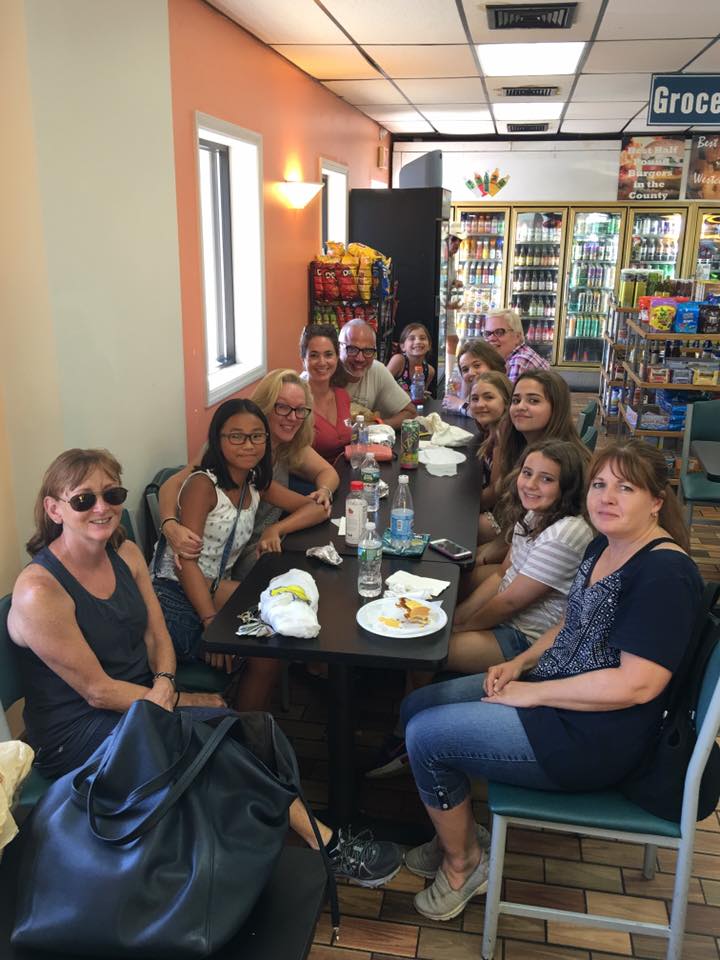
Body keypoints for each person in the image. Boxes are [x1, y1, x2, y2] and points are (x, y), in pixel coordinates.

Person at [9, 448, 402, 888]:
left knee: (239, 731)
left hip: (139, 699)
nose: (102, 508)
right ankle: (325, 846)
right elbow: (97, 692)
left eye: (112, 494)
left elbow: (157, 636)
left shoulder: (127, 554)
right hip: (78, 731)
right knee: (210, 738)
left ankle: (257, 855)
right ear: (54, 509)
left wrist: (165, 681)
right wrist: (177, 700)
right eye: (84, 499)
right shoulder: (40, 591)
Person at [400, 440, 702, 921]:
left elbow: (637, 685)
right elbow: (570, 620)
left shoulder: (664, 574)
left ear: (657, 501)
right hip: (557, 696)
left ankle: (463, 864)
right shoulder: (606, 544)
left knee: (426, 736)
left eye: (626, 488)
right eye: (600, 485)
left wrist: (532, 693)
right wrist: (520, 664)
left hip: (593, 737)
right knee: (418, 706)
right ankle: (457, 833)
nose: (607, 498)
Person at [152, 399, 329, 711]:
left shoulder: (253, 481)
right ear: (217, 440)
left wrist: (275, 528)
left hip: (212, 587)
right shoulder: (203, 486)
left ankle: (246, 729)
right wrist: (212, 624)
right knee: (274, 632)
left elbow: (316, 508)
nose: (248, 445)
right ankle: (241, 729)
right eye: (236, 436)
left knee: (275, 639)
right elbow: (184, 564)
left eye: (256, 436)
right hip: (175, 595)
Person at [160, 370, 339, 582]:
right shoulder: (229, 453)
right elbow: (176, 482)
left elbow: (327, 476)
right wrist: (169, 524)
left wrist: (323, 491)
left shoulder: (282, 450)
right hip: (231, 557)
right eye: (282, 407)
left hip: (260, 546)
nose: (292, 417)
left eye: (300, 410)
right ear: (264, 407)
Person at [449, 440, 593, 674]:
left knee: (435, 647)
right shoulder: (535, 513)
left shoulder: (565, 533)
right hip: (507, 622)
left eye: (547, 479)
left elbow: (511, 602)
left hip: (526, 639)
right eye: (527, 473)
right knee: (438, 631)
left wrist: (466, 626)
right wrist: (460, 619)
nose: (531, 485)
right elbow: (502, 574)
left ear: (568, 487)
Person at [475, 369, 589, 568]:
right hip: (515, 548)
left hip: (536, 564)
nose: (521, 407)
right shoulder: (517, 444)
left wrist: (481, 559)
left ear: (556, 408)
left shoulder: (563, 463)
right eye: (516, 400)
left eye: (533, 401)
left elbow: (529, 538)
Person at [338, 319, 416, 427]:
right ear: (338, 348)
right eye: (352, 349)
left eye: (368, 351)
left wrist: (377, 426)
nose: (360, 358)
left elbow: (411, 413)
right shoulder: (325, 372)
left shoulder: (377, 370)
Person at [300, 322, 352, 462]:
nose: (322, 362)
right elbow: (294, 458)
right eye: (314, 355)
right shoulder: (297, 402)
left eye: (328, 355)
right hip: (311, 474)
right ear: (303, 359)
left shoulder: (342, 396)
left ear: (337, 357)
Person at [441, 339, 506, 416]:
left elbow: (491, 414)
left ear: (492, 364)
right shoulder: (476, 389)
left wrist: (461, 405)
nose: (471, 373)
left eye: (477, 365)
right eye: (465, 369)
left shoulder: (500, 387)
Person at [482, 308, 549, 383]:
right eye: (488, 333)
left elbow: (508, 391)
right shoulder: (515, 357)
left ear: (517, 336)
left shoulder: (520, 361)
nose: (491, 338)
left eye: (499, 332)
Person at [386, 323, 435, 394]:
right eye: (412, 338)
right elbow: (382, 386)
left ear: (429, 346)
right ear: (403, 346)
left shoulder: (429, 371)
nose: (418, 341)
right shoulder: (399, 360)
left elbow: (421, 396)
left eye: (422, 338)